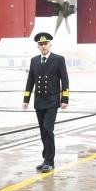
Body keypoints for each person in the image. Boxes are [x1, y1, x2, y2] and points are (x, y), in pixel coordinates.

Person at [22, 32, 69, 173]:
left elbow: (64, 80)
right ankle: (45, 160)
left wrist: (64, 99)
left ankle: (50, 161)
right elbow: (30, 80)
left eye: (46, 44)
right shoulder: (34, 60)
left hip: (52, 101)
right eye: (41, 44)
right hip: (39, 102)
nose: (43, 46)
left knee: (48, 130)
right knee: (43, 131)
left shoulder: (58, 59)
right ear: (38, 46)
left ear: (50, 45)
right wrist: (26, 99)